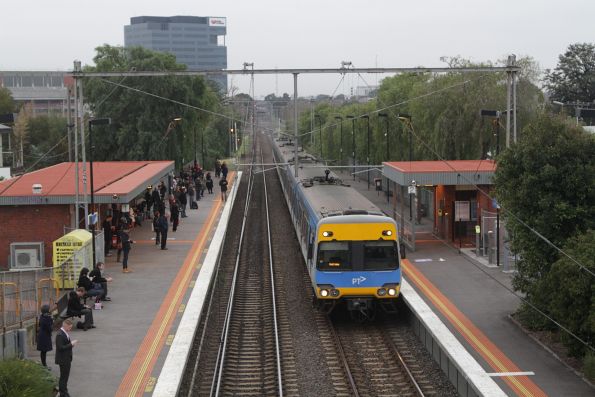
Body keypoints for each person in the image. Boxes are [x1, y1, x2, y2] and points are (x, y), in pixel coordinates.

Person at [55, 319, 77, 397]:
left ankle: (64, 391)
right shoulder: (60, 335)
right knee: (63, 377)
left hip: (66, 358)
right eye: (70, 327)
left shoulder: (64, 333)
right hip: (63, 359)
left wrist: (71, 345)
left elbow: (64, 345)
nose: (70, 329)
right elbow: (60, 347)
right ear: (65, 326)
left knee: (65, 377)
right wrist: (71, 344)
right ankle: (63, 393)